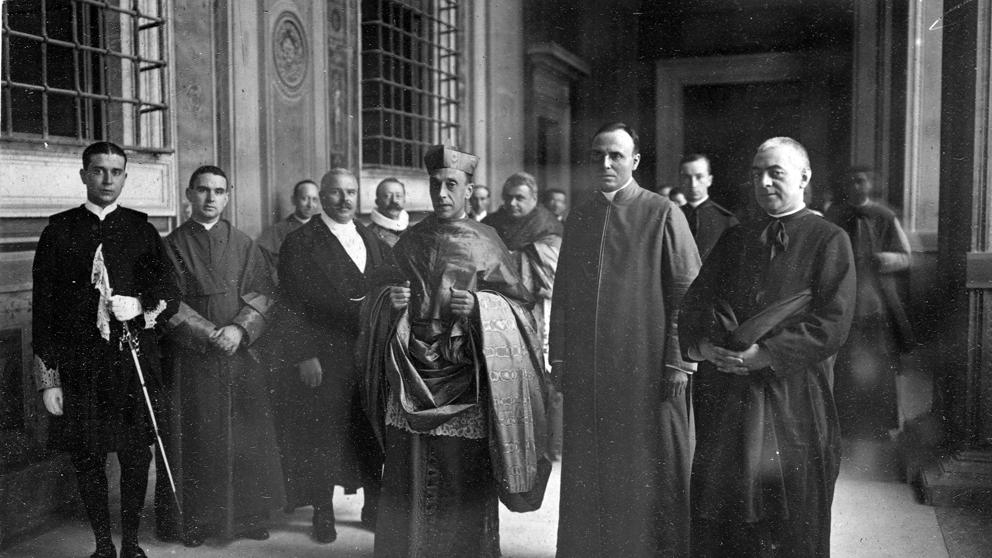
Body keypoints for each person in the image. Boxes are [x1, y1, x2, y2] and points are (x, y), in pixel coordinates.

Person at [360, 145, 550, 558]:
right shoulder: (410, 240)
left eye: (451, 185)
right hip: (410, 372)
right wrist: (386, 300)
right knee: (407, 472)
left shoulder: (487, 240)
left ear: (468, 191)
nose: (442, 194)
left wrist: (482, 305)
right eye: (435, 185)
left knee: (461, 474)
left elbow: (522, 307)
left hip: (465, 374)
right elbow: (376, 291)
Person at [680, 137, 855, 557]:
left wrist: (767, 355)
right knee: (723, 506)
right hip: (729, 394)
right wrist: (704, 345)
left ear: (804, 177)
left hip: (793, 395)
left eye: (775, 172)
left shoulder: (829, 239)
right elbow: (697, 303)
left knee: (791, 508)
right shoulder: (735, 238)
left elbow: (833, 322)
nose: (764, 182)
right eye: (757, 173)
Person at [551, 123, 701, 557]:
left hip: (647, 370)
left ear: (635, 161)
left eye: (616, 155)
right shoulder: (580, 215)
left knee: (646, 473)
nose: (605, 163)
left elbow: (687, 294)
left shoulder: (661, 212)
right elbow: (562, 294)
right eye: (598, 154)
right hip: (589, 373)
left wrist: (677, 362)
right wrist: (559, 359)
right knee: (590, 470)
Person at [32, 141, 179, 558]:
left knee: (136, 456)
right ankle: (102, 545)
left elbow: (170, 293)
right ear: (84, 175)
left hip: (131, 361)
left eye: (116, 172)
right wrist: (49, 380)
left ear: (125, 178)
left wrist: (140, 306)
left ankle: (131, 543)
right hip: (80, 366)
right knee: (89, 456)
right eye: (99, 171)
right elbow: (42, 312)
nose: (108, 180)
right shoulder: (58, 231)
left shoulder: (142, 230)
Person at [160, 165, 284, 546]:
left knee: (245, 438)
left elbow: (264, 292)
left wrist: (239, 329)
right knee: (197, 438)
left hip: (238, 354)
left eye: (218, 191)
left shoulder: (245, 243)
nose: (210, 198)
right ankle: (194, 522)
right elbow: (166, 300)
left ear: (228, 195)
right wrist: (208, 332)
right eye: (202, 190)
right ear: (189, 194)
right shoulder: (170, 245)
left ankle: (247, 518)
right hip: (192, 357)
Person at [274, 168, 390, 543]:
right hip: (324, 353)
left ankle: (373, 506)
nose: (345, 200)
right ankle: (323, 513)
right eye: (337, 193)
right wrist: (304, 355)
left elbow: (388, 287)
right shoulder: (301, 241)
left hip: (368, 352)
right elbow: (290, 305)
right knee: (323, 432)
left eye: (351, 192)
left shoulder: (371, 238)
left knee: (372, 428)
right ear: (322, 198)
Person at [826, 165, 914, 437]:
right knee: (844, 361)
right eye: (850, 182)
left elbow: (905, 256)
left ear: (870, 185)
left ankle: (878, 424)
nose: (855, 187)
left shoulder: (884, 216)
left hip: (875, 298)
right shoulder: (835, 215)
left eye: (861, 181)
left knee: (878, 362)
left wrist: (882, 259)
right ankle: (843, 421)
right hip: (842, 297)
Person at [484, 172, 564, 457]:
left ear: (533, 199)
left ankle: (542, 444)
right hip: (497, 308)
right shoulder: (491, 223)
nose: (513, 203)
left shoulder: (548, 225)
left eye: (520, 198)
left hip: (536, 311)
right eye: (508, 198)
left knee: (538, 374)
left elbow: (552, 272)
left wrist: (506, 259)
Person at [256, 179, 321, 284]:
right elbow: (266, 267)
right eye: (304, 198)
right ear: (294, 200)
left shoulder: (323, 229)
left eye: (314, 199)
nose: (310, 205)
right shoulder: (277, 231)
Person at [679, 153, 738, 261]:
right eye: (687, 177)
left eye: (699, 177)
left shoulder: (726, 220)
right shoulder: (671, 215)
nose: (693, 184)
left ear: (709, 180)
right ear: (681, 180)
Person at [366, 177, 410, 247]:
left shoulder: (413, 231)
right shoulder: (368, 235)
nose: (394, 201)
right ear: (377, 202)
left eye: (398, 196)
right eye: (387, 196)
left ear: (404, 200)